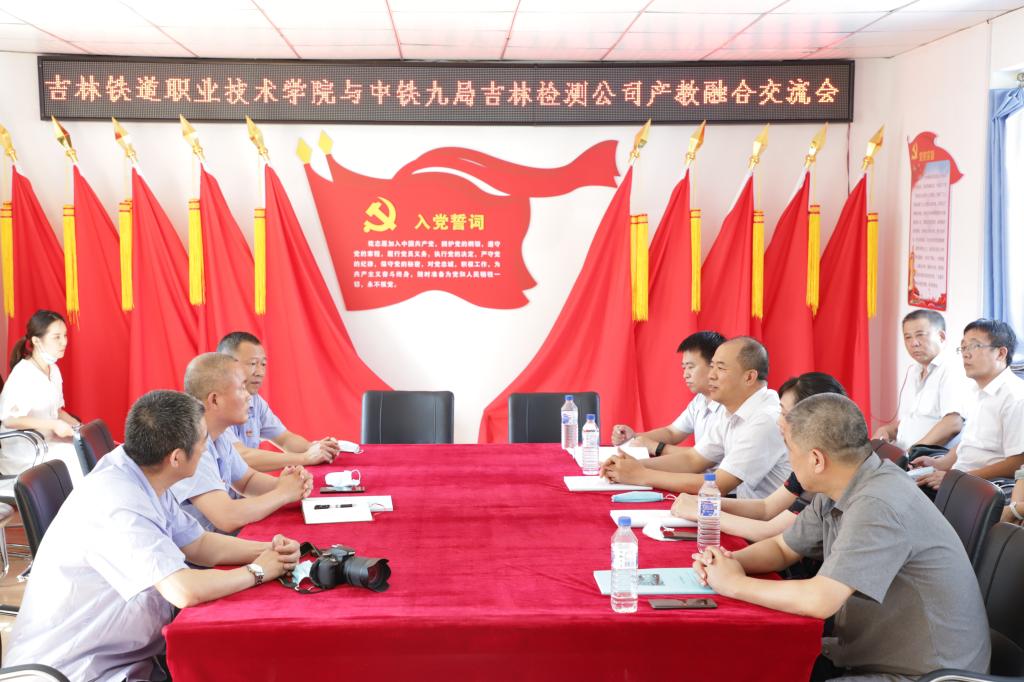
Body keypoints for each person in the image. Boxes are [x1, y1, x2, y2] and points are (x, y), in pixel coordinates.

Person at [4, 390, 302, 682]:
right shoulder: (117, 500)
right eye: (203, 442)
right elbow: (183, 590)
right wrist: (258, 571)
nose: (206, 448)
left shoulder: (140, 471)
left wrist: (270, 551)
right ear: (176, 458)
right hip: (81, 669)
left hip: (127, 654)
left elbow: (199, 544)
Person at [692, 393, 990, 680]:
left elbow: (820, 599)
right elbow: (783, 548)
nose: (789, 460)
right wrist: (726, 562)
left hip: (923, 675)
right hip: (867, 655)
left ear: (817, 460)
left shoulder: (878, 503)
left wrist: (734, 583)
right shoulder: (843, 483)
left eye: (790, 450)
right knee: (747, 661)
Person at [602, 337, 790, 499]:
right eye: (712, 366)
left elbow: (719, 484)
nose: (711, 375)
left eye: (720, 368)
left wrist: (641, 475)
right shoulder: (733, 408)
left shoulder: (766, 418)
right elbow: (693, 459)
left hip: (760, 521)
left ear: (749, 377)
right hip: (742, 511)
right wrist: (633, 466)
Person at [670, 372, 846, 542]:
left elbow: (769, 532)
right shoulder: (807, 461)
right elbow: (766, 508)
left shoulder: (821, 467)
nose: (779, 421)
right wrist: (705, 502)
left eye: (785, 415)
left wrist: (703, 511)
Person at [170, 353, 312, 533]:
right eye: (241, 388)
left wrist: (290, 484)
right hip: (196, 548)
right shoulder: (190, 444)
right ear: (214, 400)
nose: (248, 397)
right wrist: (283, 493)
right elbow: (227, 517)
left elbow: (247, 481)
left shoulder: (219, 436)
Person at [912, 318, 1024, 491]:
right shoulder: (977, 391)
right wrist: (940, 464)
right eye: (963, 347)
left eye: (974, 346)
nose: (966, 354)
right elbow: (971, 444)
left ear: (1001, 353)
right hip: (960, 478)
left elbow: (1018, 462)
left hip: (982, 489)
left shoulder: (1015, 397)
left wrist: (957, 479)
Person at [216, 331, 341, 472]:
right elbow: (239, 457)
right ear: (227, 365)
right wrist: (305, 458)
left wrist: (315, 448)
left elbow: (285, 439)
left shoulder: (255, 400)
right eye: (253, 363)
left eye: (263, 364)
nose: (260, 372)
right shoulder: (213, 405)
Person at [0, 309, 83, 484]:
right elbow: (10, 420)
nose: (64, 342)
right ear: (37, 341)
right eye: (56, 337)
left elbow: (57, 411)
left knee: (85, 447)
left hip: (47, 441)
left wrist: (80, 428)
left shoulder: (54, 370)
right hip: (24, 449)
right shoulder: (23, 374)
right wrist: (53, 425)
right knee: (74, 457)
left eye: (65, 336)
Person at [611, 330, 726, 455]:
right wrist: (633, 436)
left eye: (691, 367)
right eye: (684, 368)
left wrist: (655, 447)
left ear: (714, 365)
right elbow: (672, 433)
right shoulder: (699, 400)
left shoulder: (729, 405)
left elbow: (705, 456)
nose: (685, 375)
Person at [872, 310, 966, 450]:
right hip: (905, 454)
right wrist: (887, 430)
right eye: (907, 337)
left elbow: (953, 423)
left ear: (941, 336)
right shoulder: (913, 371)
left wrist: (912, 452)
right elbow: (914, 420)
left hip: (932, 458)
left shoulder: (952, 369)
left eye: (920, 335)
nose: (913, 343)